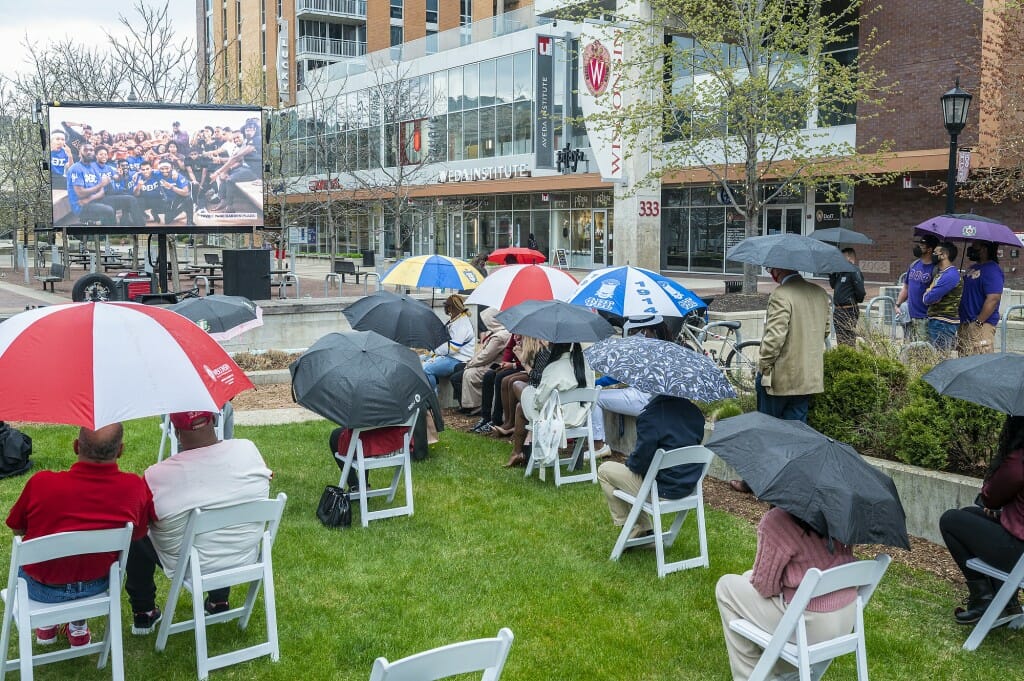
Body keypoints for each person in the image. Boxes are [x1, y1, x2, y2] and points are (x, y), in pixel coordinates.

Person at [5, 424, 155, 648]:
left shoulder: (41, 483)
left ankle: (47, 626)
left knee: (41, 556)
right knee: (85, 561)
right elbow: (140, 533)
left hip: (39, 589)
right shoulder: (134, 488)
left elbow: (17, 528)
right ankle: (77, 626)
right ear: (121, 450)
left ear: (76, 446)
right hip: (97, 584)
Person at [126, 411, 272, 635]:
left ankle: (144, 612)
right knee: (225, 516)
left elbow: (140, 527)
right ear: (214, 420)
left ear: (175, 432)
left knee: (134, 534)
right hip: (244, 556)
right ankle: (219, 601)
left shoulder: (157, 475)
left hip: (189, 564)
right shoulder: (248, 450)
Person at [715, 507, 857, 680]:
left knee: (725, 587)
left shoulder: (778, 520)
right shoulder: (838, 516)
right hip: (846, 621)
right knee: (746, 578)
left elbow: (765, 588)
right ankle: (771, 669)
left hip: (810, 627)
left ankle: (750, 675)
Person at [939, 415, 1024, 625]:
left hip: (1018, 551)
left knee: (950, 520)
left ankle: (983, 599)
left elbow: (990, 498)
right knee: (968, 514)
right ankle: (1007, 601)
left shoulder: (1019, 461)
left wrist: (999, 465)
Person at [597, 395, 706, 540]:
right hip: (688, 487)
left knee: (605, 470)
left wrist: (630, 462)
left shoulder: (651, 416)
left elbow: (639, 463)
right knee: (632, 475)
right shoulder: (695, 413)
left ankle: (632, 528)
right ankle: (644, 528)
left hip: (661, 489)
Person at [504, 342, 597, 468]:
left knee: (519, 387)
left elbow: (539, 401)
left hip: (556, 421)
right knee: (520, 407)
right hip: (580, 418)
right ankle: (518, 453)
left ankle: (519, 452)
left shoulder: (553, 367)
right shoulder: (585, 365)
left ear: (553, 346)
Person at [756, 267, 830, 423]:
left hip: (781, 377)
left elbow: (774, 338)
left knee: (769, 428)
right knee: (797, 433)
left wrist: (763, 366)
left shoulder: (781, 294)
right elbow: (825, 331)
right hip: (808, 377)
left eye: (770, 268)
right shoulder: (820, 293)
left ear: (777, 270)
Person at [457, 308, 511, 415]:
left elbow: (486, 356)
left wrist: (471, 364)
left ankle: (476, 405)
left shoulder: (500, 336)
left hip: (494, 364)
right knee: (459, 368)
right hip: (489, 362)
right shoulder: (496, 332)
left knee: (469, 373)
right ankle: (467, 404)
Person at [421, 294, 476, 392]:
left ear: (450, 308)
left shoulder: (462, 324)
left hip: (458, 359)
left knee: (426, 369)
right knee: (418, 360)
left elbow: (453, 349)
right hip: (449, 356)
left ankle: (433, 396)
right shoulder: (456, 319)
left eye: (446, 307)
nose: (445, 309)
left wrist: (436, 351)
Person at [958, 240, 1004, 356]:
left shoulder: (993, 270)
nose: (971, 249)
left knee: (979, 363)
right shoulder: (972, 268)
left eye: (974, 246)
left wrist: (978, 322)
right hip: (966, 323)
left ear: (984, 249)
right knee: (963, 362)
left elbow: (993, 298)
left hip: (981, 325)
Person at [895, 235, 939, 343]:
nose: (919, 247)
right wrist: (897, 304)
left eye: (922, 245)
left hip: (924, 318)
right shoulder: (914, 264)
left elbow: (937, 294)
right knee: (908, 348)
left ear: (930, 249)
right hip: (909, 315)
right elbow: (906, 287)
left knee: (922, 351)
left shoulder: (935, 269)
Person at [922, 240, 962, 354]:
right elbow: (930, 296)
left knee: (939, 358)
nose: (932, 255)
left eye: (935, 252)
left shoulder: (951, 275)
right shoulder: (941, 273)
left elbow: (928, 298)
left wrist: (929, 292)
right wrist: (929, 293)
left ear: (944, 255)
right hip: (936, 321)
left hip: (943, 324)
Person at [66, 143, 116, 225]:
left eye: (91, 150)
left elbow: (102, 192)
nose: (89, 152)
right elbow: (80, 193)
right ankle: (108, 233)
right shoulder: (75, 168)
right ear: (80, 153)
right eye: (86, 150)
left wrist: (90, 198)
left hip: (91, 201)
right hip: (80, 206)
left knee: (114, 202)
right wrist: (100, 185)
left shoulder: (93, 168)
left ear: (94, 154)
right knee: (109, 210)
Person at [828, 248, 866, 347]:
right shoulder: (841, 271)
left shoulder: (854, 270)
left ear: (849, 257)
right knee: (840, 339)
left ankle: (849, 358)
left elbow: (860, 292)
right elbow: (833, 285)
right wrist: (831, 274)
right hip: (838, 310)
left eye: (842, 257)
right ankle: (841, 357)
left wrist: (853, 301)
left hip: (848, 310)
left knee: (848, 339)